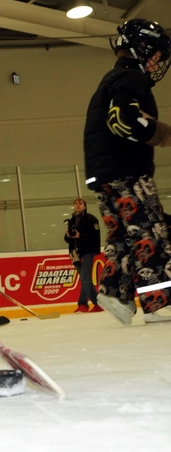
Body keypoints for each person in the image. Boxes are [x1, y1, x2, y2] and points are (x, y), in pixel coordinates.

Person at [84, 18, 171, 325]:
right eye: (156, 53)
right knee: (152, 232)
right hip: (126, 172)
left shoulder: (112, 78)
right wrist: (162, 134)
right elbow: (122, 119)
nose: (158, 61)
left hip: (104, 172)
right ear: (141, 48)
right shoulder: (130, 78)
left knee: (123, 234)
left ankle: (114, 293)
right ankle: (158, 302)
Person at [63, 198, 103, 313]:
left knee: (84, 279)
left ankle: (83, 305)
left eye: (80, 204)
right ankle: (98, 304)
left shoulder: (91, 219)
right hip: (75, 253)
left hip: (87, 251)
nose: (78, 205)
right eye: (76, 204)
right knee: (85, 279)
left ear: (85, 206)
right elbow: (67, 239)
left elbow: (95, 236)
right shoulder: (71, 220)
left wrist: (80, 236)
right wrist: (67, 236)